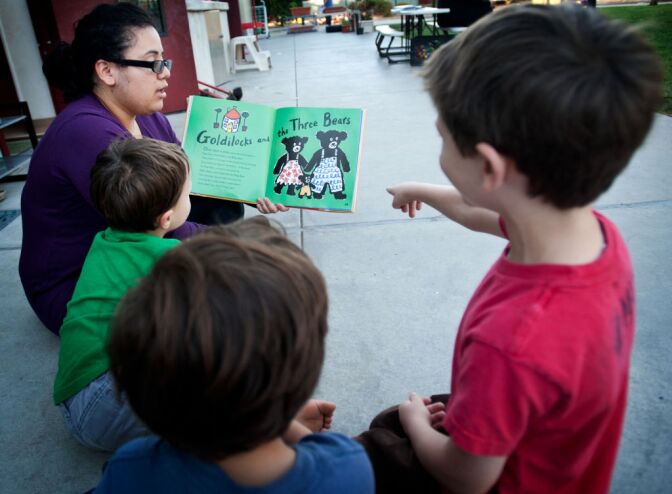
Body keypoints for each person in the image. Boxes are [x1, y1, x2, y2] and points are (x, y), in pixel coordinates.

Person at [360, 5, 663, 494]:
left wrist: (416, 424)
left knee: (383, 433)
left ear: (488, 167)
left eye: (442, 138)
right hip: (565, 462)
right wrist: (422, 188)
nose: (438, 148)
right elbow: (478, 211)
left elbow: (467, 476)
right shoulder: (590, 234)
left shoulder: (513, 341)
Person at [19, 2, 285, 335]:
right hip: (78, 285)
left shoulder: (145, 113)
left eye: (164, 60)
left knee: (222, 208)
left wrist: (251, 188)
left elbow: (185, 179)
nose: (166, 72)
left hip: (128, 246)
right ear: (107, 71)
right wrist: (240, 245)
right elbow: (156, 222)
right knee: (229, 304)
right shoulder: (84, 132)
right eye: (151, 63)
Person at [92, 219, 374, 493]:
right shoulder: (346, 470)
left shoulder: (131, 469)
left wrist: (275, 417)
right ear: (306, 373)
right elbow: (325, 454)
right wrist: (279, 420)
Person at [54, 138, 192, 451]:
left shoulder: (103, 241)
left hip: (73, 397)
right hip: (111, 402)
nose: (190, 196)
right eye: (188, 193)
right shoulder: (170, 257)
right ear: (166, 219)